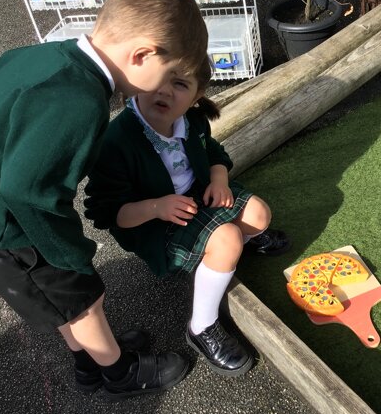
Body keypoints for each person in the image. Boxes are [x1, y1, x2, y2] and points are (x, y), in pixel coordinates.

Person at [0, 0, 208, 400]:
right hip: (3, 223)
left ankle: (90, 362)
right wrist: (71, 253)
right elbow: (26, 190)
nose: (166, 87)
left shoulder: (45, 55)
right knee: (85, 298)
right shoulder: (78, 101)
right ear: (142, 54)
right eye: (168, 73)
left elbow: (7, 67)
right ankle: (120, 373)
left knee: (68, 301)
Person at [84, 56, 291, 377]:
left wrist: (219, 180)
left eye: (179, 84)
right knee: (228, 238)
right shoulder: (115, 140)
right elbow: (107, 213)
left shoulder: (192, 120)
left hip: (197, 197)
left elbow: (215, 154)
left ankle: (225, 253)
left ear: (197, 96)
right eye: (158, 78)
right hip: (155, 224)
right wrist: (157, 207)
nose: (164, 91)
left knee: (259, 215)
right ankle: (202, 325)